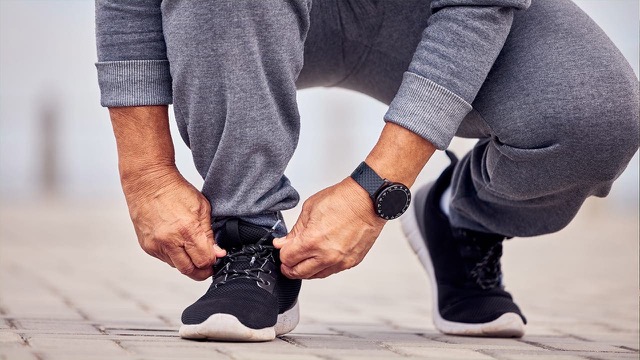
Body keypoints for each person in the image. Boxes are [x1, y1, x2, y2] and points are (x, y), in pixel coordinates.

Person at [95, 0, 639, 342]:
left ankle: (460, 217)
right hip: (245, 15)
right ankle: (248, 240)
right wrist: (146, 173)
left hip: (431, 12)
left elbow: (479, 4)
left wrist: (378, 189)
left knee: (598, 119)